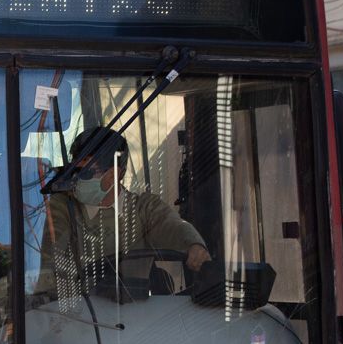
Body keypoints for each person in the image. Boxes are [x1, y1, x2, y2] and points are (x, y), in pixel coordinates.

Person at [35, 127, 212, 298]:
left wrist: (194, 245)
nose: (77, 178)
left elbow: (171, 225)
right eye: (75, 170)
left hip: (137, 312)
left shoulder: (143, 208)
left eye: (86, 173)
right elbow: (51, 263)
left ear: (113, 174)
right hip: (84, 312)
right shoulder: (64, 207)